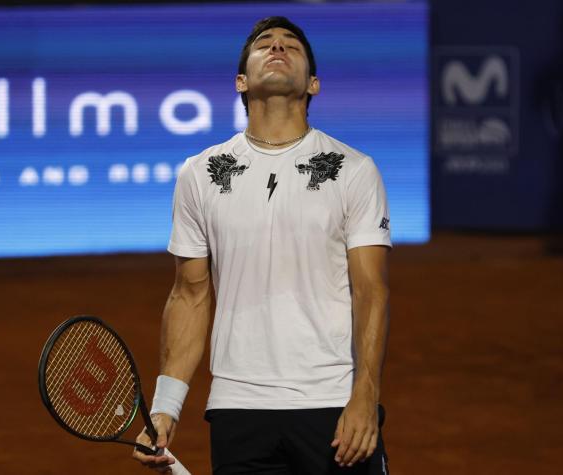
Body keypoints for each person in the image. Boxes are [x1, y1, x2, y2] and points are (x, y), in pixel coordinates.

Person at [132, 16, 392, 474]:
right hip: (238, 407)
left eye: (291, 44)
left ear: (313, 83)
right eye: (264, 45)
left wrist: (366, 395)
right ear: (240, 80)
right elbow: (189, 295)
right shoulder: (200, 173)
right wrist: (165, 408)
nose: (277, 47)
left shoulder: (354, 169)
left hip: (331, 403)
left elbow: (371, 291)